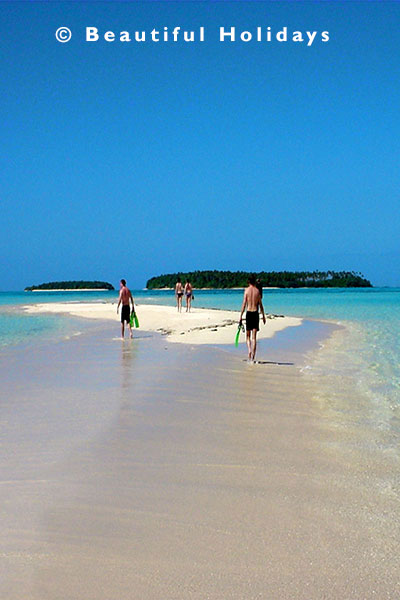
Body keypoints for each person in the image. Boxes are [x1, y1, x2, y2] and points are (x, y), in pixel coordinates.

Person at [239, 275, 266, 363]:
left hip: (249, 313)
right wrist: (263, 316)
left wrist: (241, 315)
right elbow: (261, 305)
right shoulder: (257, 291)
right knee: (254, 337)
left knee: (248, 336)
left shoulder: (246, 291)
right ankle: (253, 357)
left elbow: (244, 303)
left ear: (248, 282)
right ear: (254, 282)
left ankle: (249, 350)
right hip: (255, 314)